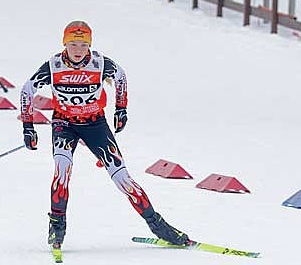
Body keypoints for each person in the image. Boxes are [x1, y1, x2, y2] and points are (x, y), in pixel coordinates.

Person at [20, 21, 190, 250]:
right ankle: (56, 226)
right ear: (65, 44)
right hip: (64, 124)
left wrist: (121, 109)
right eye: (72, 44)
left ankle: (158, 225)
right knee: (62, 171)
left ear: (89, 45)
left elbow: (121, 78)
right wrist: (28, 127)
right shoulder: (54, 65)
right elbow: (27, 90)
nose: (78, 50)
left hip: (94, 124)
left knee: (123, 179)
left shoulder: (100, 64)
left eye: (82, 44)